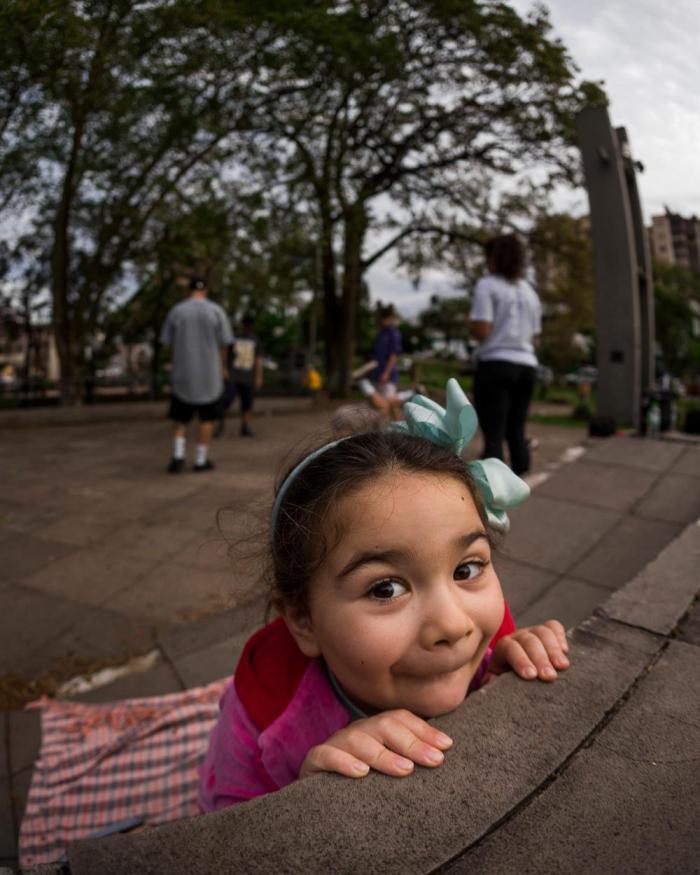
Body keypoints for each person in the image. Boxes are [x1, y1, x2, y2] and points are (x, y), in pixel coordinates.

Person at [198, 380, 569, 810]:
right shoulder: (266, 710)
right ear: (303, 619)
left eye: (466, 569)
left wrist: (501, 676)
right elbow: (226, 831)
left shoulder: (490, 646)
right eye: (385, 588)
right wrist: (302, 804)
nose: (452, 625)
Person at [469, 234, 541, 476]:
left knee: (493, 432)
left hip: (496, 363)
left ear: (495, 258)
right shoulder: (529, 291)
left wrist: (470, 326)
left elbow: (483, 330)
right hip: (527, 365)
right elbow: (535, 336)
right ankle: (521, 472)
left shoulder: (487, 285)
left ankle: (493, 481)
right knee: (516, 427)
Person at [160, 276, 233, 472]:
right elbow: (225, 342)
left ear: (189, 290)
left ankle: (178, 456)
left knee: (180, 420)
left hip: (183, 375)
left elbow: (167, 342)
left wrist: (175, 361)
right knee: (207, 419)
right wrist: (223, 367)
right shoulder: (216, 311)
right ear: (206, 290)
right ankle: (200, 460)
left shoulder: (177, 311)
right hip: (210, 376)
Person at [216, 315, 263, 438]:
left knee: (247, 403)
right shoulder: (234, 338)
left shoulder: (255, 340)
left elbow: (258, 360)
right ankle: (220, 425)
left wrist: (258, 377)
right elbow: (224, 352)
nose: (248, 328)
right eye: (246, 325)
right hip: (233, 375)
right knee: (225, 400)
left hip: (248, 377)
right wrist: (224, 368)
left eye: (250, 326)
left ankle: (245, 427)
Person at [372, 304, 402, 401]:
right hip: (377, 373)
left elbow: (394, 355)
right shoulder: (380, 334)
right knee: (378, 403)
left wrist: (386, 373)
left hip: (388, 375)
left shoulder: (393, 334)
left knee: (388, 402)